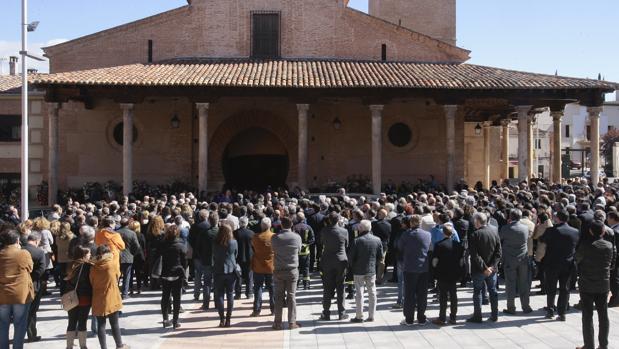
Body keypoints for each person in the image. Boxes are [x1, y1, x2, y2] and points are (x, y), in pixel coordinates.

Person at [575, 221, 614, 349]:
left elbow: (577, 260)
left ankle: (589, 345)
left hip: (586, 283)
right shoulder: (609, 245)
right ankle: (603, 345)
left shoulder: (585, 245)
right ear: (603, 231)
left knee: (587, 316)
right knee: (603, 315)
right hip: (603, 283)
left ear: (591, 231)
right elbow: (612, 265)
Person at [540, 210, 579, 321]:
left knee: (551, 288)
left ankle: (550, 310)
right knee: (564, 289)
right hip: (567, 263)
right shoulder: (575, 231)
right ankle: (562, 313)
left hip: (552, 263)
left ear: (558, 218)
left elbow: (542, 240)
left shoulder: (551, 231)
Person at [0, 230, 34, 349]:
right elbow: (30, 268)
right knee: (20, 324)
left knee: (2, 325)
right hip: (20, 294)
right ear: (17, 240)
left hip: (2, 295)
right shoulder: (23, 253)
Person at [90, 244, 129, 349]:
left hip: (98, 297)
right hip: (111, 296)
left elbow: (91, 281)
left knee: (101, 325)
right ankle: (119, 345)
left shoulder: (93, 267)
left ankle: (103, 347)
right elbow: (117, 276)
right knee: (114, 323)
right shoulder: (112, 264)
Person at [467, 212, 502, 323]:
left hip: (479, 269)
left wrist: (485, 268)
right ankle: (494, 314)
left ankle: (478, 316)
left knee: (477, 292)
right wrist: (491, 267)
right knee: (493, 291)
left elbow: (474, 255)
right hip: (491, 270)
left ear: (477, 221)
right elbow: (499, 253)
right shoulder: (494, 232)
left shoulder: (474, 235)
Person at [398, 215, 431, 326]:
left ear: (411, 223)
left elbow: (399, 247)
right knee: (422, 294)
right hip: (423, 268)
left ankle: (409, 319)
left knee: (409, 294)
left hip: (410, 267)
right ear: (420, 223)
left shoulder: (406, 234)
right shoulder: (427, 234)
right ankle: (421, 318)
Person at [498, 209, 533, 315]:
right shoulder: (525, 228)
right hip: (523, 259)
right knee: (524, 283)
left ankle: (511, 307)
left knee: (510, 284)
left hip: (509, 259)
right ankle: (526, 306)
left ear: (510, 217)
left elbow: (499, 238)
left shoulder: (505, 228)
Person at [271, 216, 302, 330]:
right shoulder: (296, 237)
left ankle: (277, 323)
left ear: (281, 225)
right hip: (292, 270)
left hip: (278, 270)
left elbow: (273, 250)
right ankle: (291, 322)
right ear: (291, 225)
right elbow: (298, 250)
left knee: (278, 296)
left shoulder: (275, 238)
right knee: (291, 296)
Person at [348, 219, 383, 323]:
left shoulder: (356, 241)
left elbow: (350, 257)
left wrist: (353, 266)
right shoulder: (377, 239)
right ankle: (371, 316)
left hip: (358, 270)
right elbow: (380, 256)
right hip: (371, 269)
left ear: (361, 229)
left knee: (359, 293)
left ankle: (359, 316)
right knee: (372, 292)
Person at [431, 224, 464, 326]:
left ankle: (442, 318)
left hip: (442, 273)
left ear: (443, 233)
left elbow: (435, 261)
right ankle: (453, 317)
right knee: (453, 296)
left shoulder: (439, 245)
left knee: (443, 296)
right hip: (454, 273)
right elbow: (461, 261)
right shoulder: (458, 245)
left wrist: (434, 270)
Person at [319, 212, 349, 321]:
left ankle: (326, 312)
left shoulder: (324, 231)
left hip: (327, 260)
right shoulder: (344, 231)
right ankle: (341, 312)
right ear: (338, 220)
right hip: (341, 260)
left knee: (327, 287)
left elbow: (322, 242)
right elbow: (346, 244)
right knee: (340, 286)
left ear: (329, 220)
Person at [157, 224, 187, 329]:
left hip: (165, 273)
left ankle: (165, 319)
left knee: (165, 296)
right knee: (177, 298)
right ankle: (175, 321)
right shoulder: (181, 245)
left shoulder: (162, 244)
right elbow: (185, 261)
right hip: (177, 273)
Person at [64, 246, 93, 349]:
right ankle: (83, 346)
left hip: (71, 297)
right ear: (83, 255)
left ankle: (69, 346)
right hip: (84, 297)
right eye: (89, 253)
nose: (90, 255)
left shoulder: (69, 264)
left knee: (71, 321)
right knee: (82, 322)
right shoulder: (87, 266)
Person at [188, 211, 216, 309]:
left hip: (198, 254)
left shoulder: (194, 226)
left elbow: (190, 239)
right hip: (209, 255)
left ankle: (196, 294)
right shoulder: (209, 226)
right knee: (208, 278)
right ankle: (208, 296)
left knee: (198, 275)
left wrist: (196, 248)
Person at [22, 232, 45, 343]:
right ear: (37, 240)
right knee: (32, 311)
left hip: (21, 283)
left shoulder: (21, 250)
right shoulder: (39, 252)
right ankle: (31, 335)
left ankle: (21, 334)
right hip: (34, 284)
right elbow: (42, 269)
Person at [213, 223, 238, 327]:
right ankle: (228, 318)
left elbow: (214, 255)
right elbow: (236, 254)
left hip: (219, 270)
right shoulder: (233, 242)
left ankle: (222, 318)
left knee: (219, 295)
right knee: (230, 294)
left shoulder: (215, 242)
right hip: (231, 270)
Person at [251, 217, 275, 317]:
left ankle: (256, 310)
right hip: (271, 266)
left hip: (258, 266)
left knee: (258, 288)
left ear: (261, 226)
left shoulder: (255, 237)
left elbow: (253, 248)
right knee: (272, 288)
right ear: (270, 226)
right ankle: (274, 309)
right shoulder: (274, 236)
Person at [117, 218, 140, 299]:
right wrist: (132, 253)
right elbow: (137, 246)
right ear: (127, 224)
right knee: (127, 276)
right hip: (128, 256)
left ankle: (115, 293)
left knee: (117, 276)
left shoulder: (116, 233)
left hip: (117, 256)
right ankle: (124, 294)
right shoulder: (132, 233)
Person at [233, 216, 254, 299]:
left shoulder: (235, 233)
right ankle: (249, 293)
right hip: (249, 257)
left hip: (238, 257)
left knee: (238, 276)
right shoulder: (251, 233)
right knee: (249, 276)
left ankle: (238, 294)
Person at [292, 212, 314, 290]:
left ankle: (296, 284)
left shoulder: (294, 228)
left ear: (297, 219)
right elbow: (312, 239)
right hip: (306, 252)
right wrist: (306, 244)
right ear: (304, 218)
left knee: (297, 268)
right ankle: (306, 285)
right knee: (306, 268)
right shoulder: (308, 227)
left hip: (296, 252)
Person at [128, 220, 146, 295]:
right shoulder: (141, 235)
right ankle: (139, 288)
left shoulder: (129, 235)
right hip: (139, 255)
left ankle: (130, 288)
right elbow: (144, 246)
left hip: (130, 254)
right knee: (138, 272)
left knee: (130, 273)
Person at [607, 210, 619, 307]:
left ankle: (616, 299)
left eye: (608, 217)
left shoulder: (615, 231)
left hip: (616, 259)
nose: (607, 219)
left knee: (614, 279)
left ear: (613, 219)